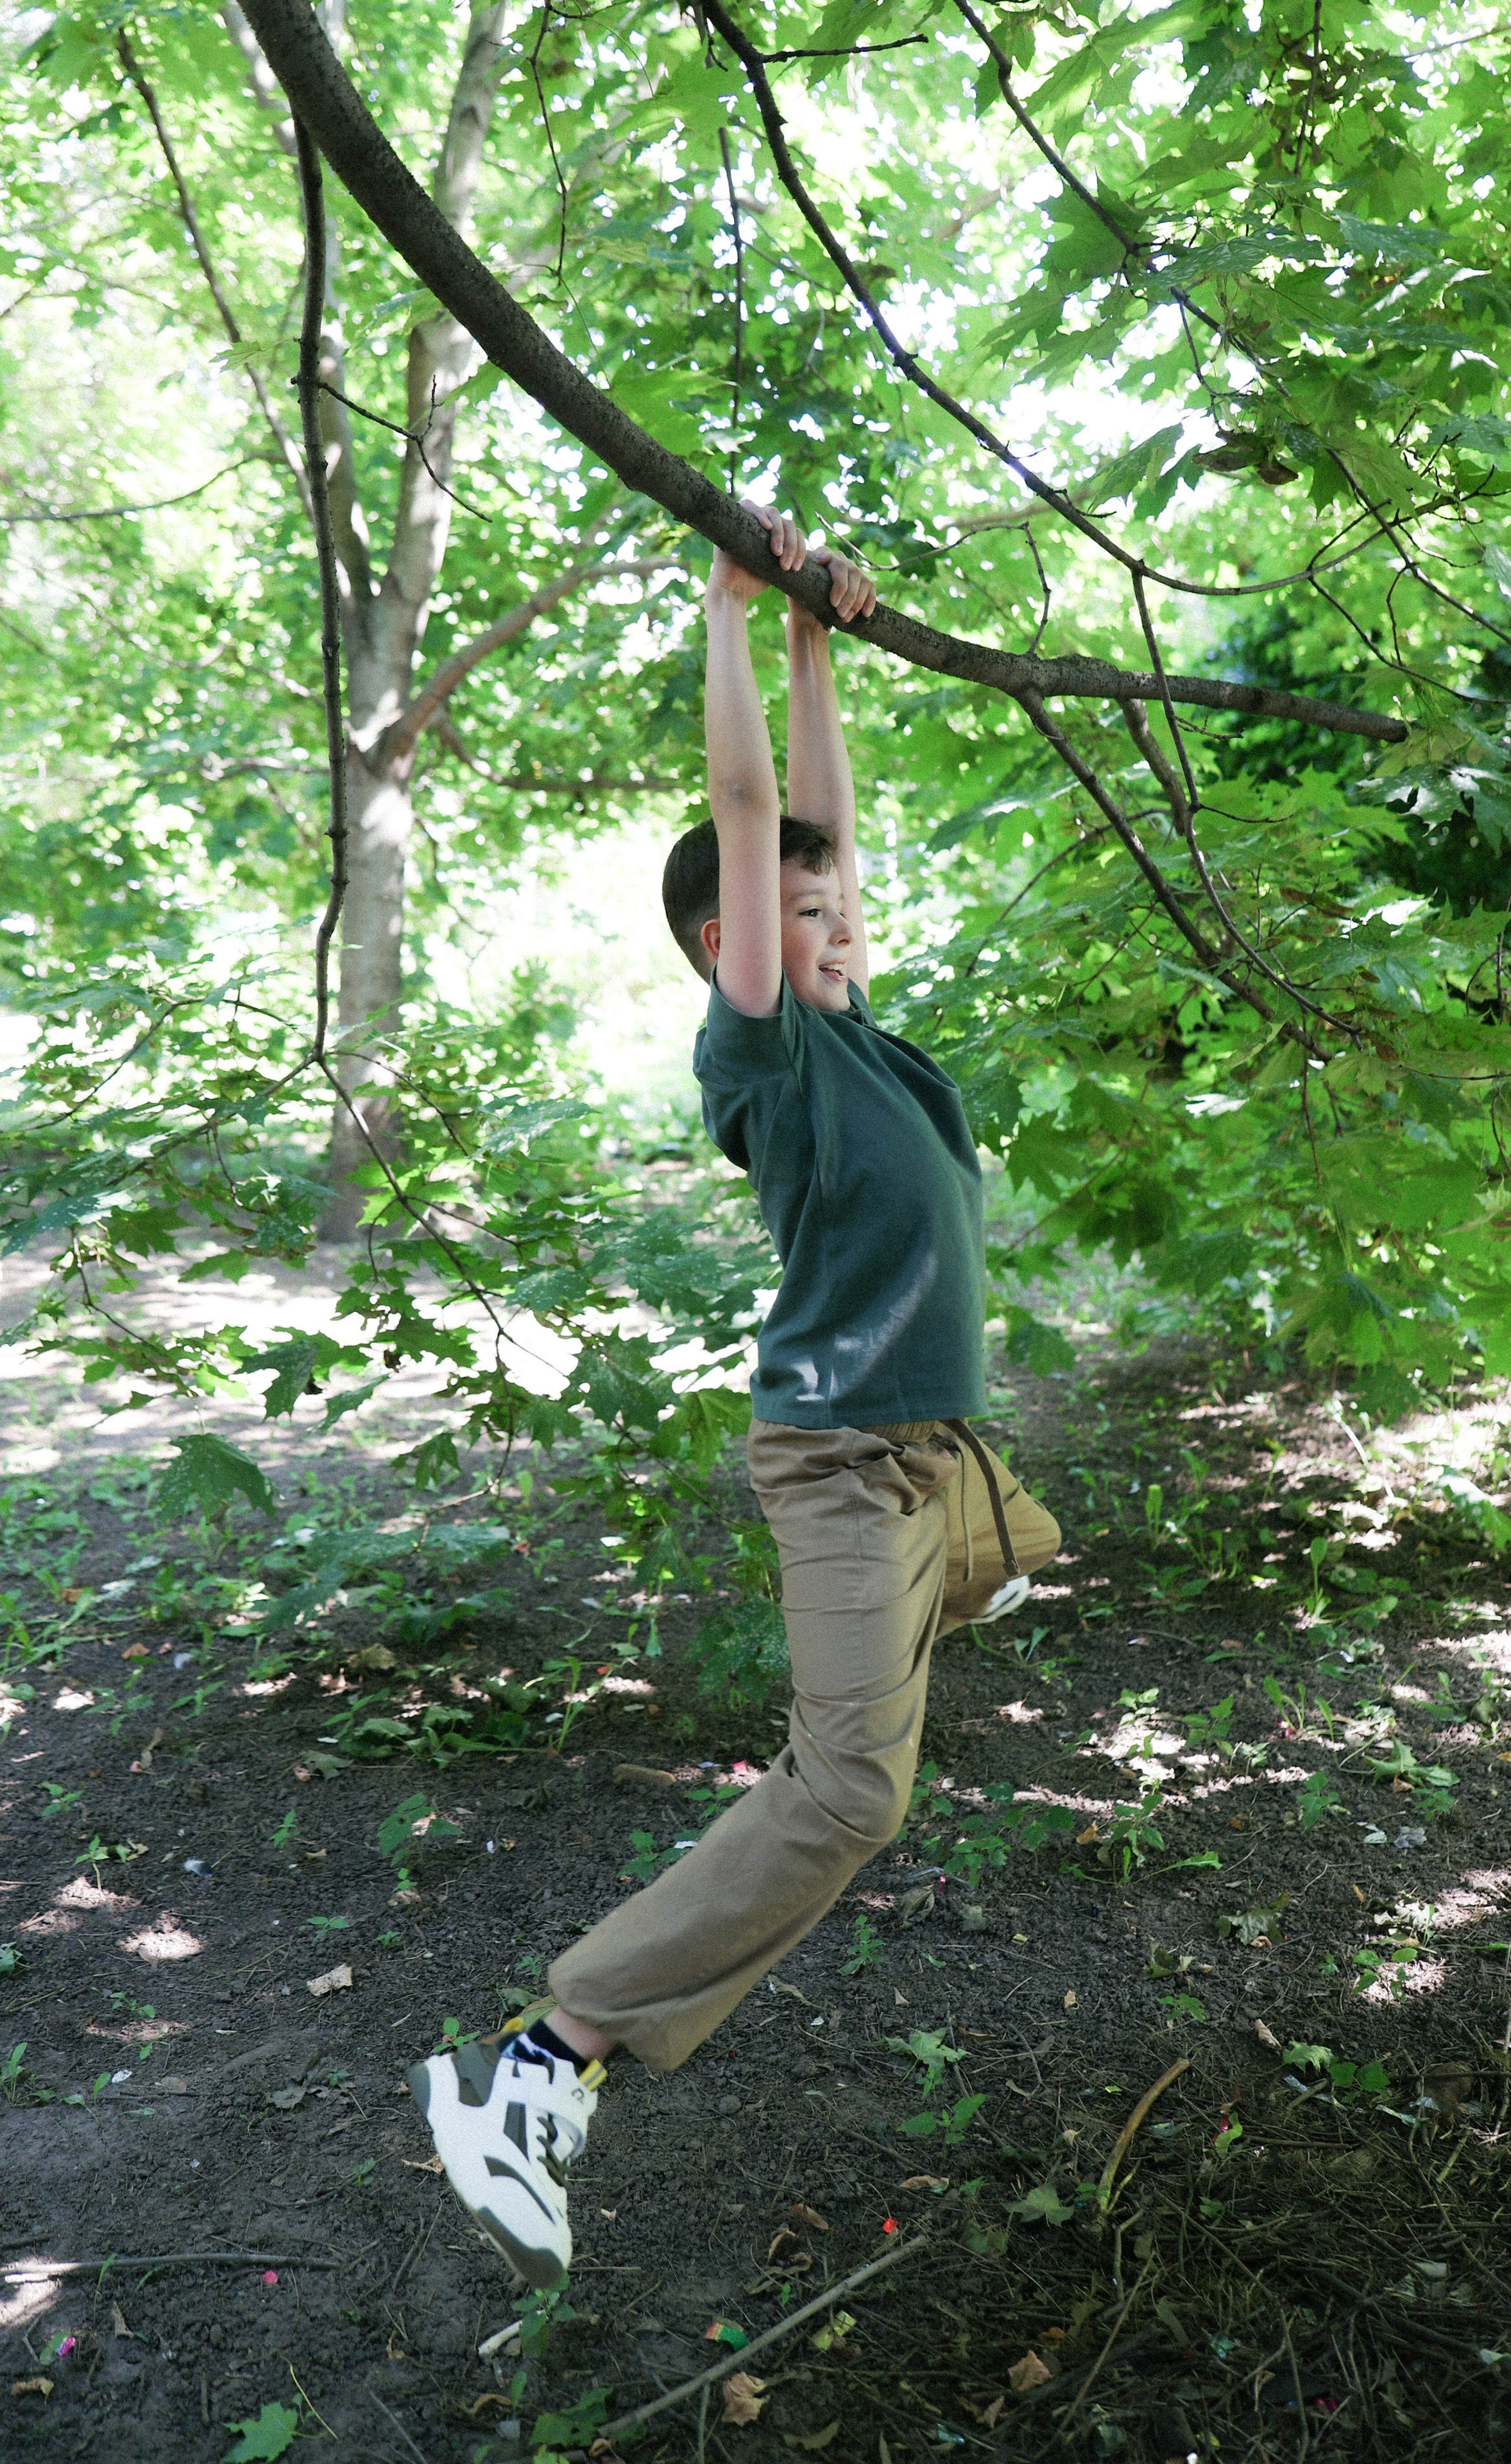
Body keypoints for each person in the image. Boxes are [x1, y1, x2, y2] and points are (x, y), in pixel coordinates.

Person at [409, 501, 1062, 2288]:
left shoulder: (868, 1035)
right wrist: (728, 597)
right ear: (726, 942)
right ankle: (546, 2064)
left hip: (931, 1465)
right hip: (844, 1462)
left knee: (889, 1760)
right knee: (853, 1795)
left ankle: (564, 2057)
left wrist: (819, 641)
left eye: (849, 910)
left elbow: (821, 825)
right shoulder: (761, 1043)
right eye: (799, 912)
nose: (840, 918)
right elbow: (768, 820)